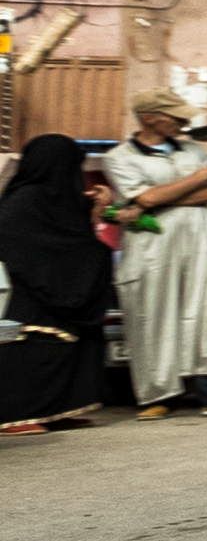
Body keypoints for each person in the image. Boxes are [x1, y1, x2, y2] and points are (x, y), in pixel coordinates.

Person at [97, 97, 207, 418]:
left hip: (199, 241)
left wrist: (156, 199)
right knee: (154, 314)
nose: (182, 124)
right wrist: (200, 177)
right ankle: (159, 396)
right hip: (153, 246)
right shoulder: (120, 158)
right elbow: (145, 196)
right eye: (174, 118)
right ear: (150, 118)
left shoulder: (192, 150)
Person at [0, 131, 112, 433]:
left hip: (57, 289)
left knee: (80, 338)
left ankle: (58, 409)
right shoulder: (23, 203)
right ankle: (15, 417)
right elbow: (38, 249)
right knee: (33, 346)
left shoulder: (59, 201)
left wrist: (96, 211)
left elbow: (79, 241)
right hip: (25, 296)